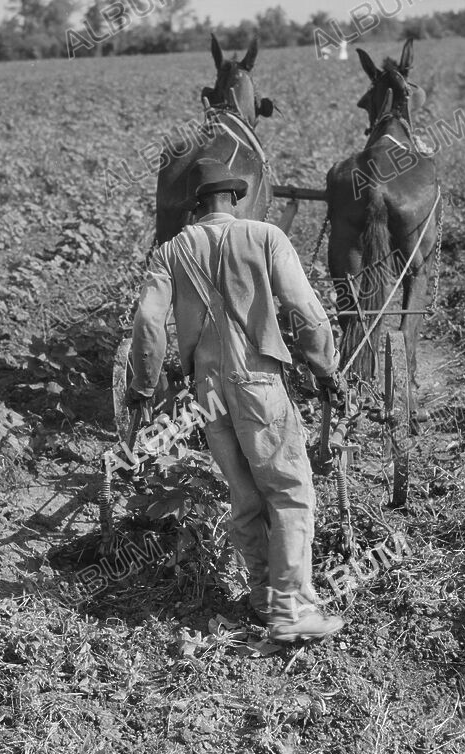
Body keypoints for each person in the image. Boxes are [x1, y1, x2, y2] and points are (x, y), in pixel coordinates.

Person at [127, 157, 344, 644]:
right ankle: (293, 610)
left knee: (245, 496)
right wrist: (325, 366)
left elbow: (148, 324)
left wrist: (142, 388)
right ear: (235, 198)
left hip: (207, 391)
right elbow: (306, 311)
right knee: (289, 490)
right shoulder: (265, 237)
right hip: (258, 383)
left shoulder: (170, 251)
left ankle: (264, 596)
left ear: (196, 207)